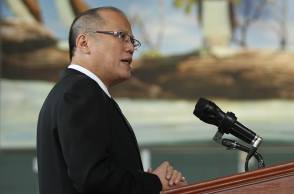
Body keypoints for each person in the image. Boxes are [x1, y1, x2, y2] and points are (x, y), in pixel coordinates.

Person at [37, 6, 187, 194]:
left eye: (132, 40)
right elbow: (93, 178)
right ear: (84, 43)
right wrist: (154, 182)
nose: (131, 47)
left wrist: (142, 179)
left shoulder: (75, 90)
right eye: (121, 36)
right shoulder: (80, 92)